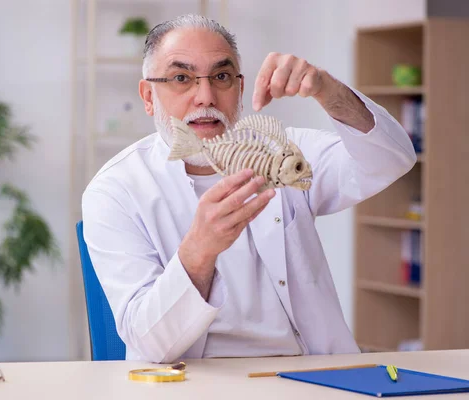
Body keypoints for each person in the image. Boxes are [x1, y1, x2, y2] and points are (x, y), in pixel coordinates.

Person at [81, 14, 416, 363]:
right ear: (148, 96)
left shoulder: (282, 151)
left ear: (240, 89)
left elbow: (391, 159)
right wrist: (199, 251)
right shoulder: (115, 191)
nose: (205, 96)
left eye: (221, 76)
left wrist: (326, 90)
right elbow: (149, 344)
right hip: (193, 384)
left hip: (312, 375)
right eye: (182, 78)